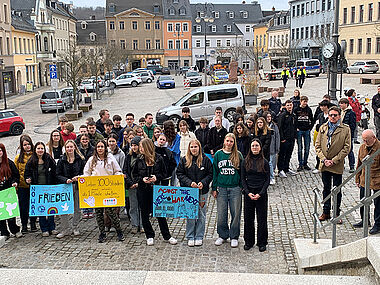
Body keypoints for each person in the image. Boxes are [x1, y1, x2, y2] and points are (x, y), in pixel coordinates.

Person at [132, 138, 177, 246]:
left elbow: (165, 173)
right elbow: (134, 175)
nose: (140, 149)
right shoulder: (139, 160)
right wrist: (142, 179)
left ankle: (167, 235)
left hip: (156, 188)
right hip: (143, 189)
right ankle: (149, 235)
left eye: (141, 146)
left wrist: (156, 177)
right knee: (144, 212)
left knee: (160, 213)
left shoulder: (159, 158)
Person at [83, 140, 125, 243]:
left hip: (108, 190)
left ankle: (119, 231)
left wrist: (118, 176)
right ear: (96, 148)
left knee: (111, 211)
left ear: (105, 148)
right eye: (98, 147)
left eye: (102, 146)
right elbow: (86, 173)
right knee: (98, 212)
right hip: (96, 190)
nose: (100, 149)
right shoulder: (92, 160)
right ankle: (102, 232)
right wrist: (84, 180)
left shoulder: (111, 159)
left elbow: (117, 171)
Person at [315, 106, 351, 223]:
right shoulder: (323, 128)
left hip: (337, 165)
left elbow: (346, 148)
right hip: (325, 164)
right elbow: (317, 145)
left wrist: (334, 160)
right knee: (326, 188)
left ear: (339, 116)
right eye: (331, 115)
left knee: (337, 190)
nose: (333, 117)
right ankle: (326, 212)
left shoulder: (345, 129)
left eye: (335, 115)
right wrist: (324, 159)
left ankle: (336, 213)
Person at [177, 139, 213, 247]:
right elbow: (179, 173)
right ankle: (190, 235)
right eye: (192, 147)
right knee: (190, 214)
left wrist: (203, 182)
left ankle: (199, 236)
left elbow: (210, 174)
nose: (194, 149)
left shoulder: (205, 160)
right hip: (189, 192)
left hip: (202, 191)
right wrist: (189, 183)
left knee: (201, 213)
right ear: (189, 148)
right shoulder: (184, 160)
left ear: (199, 148)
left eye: (195, 147)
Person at [212, 133, 244, 248]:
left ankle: (234, 236)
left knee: (236, 213)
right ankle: (222, 235)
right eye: (227, 141)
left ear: (234, 143)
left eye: (231, 141)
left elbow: (242, 172)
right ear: (224, 141)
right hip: (222, 188)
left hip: (235, 188)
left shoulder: (238, 155)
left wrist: (241, 186)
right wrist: (214, 188)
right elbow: (215, 172)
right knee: (222, 213)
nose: (229, 143)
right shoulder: (218, 155)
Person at [241, 139, 270, 252]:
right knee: (248, 218)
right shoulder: (245, 161)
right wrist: (248, 192)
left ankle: (262, 242)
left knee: (262, 219)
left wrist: (260, 193)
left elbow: (267, 180)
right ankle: (249, 241)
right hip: (249, 193)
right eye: (253, 146)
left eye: (257, 146)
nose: (254, 148)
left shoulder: (265, 162)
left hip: (261, 193)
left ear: (260, 147)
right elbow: (243, 179)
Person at [24, 142, 57, 236]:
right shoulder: (31, 161)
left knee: (51, 209)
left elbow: (54, 171)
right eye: (38, 148)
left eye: (42, 148)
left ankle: (52, 227)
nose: (40, 150)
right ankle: (44, 229)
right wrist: (28, 180)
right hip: (38, 189)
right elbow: (26, 174)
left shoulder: (48, 159)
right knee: (41, 210)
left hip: (49, 188)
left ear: (44, 149)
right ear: (35, 150)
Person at [56, 140, 85, 238]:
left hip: (77, 186)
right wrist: (66, 180)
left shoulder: (80, 159)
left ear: (74, 148)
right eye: (67, 147)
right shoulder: (61, 160)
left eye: (71, 147)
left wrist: (79, 177)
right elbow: (58, 174)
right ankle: (65, 229)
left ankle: (75, 227)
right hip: (65, 187)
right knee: (64, 208)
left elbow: (84, 172)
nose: (69, 149)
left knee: (77, 208)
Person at [355, 130, 380, 235]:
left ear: (373, 138)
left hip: (377, 179)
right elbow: (359, 164)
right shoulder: (362, 147)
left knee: (378, 204)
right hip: (364, 179)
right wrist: (357, 178)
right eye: (363, 140)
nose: (365, 142)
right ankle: (365, 220)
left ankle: (378, 224)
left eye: (367, 140)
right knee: (363, 201)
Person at [14, 135, 37, 233]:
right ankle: (24, 224)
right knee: (23, 206)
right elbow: (15, 172)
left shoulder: (35, 155)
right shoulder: (18, 158)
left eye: (28, 144)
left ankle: (33, 223)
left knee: (33, 205)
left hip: (34, 186)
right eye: (25, 145)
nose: (27, 146)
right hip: (22, 186)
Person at [0, 143, 22, 239]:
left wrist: (14, 182)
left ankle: (15, 230)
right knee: (1, 214)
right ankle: (4, 232)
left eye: (0, 150)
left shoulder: (9, 163)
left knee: (10, 213)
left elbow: (16, 175)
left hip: (8, 192)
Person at [123, 136, 143, 234]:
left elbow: (143, 172)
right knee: (133, 206)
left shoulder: (143, 156)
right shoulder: (128, 156)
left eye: (136, 145)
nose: (134, 147)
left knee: (142, 206)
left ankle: (142, 224)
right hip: (131, 185)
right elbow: (125, 170)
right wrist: (130, 183)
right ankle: (135, 224)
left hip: (141, 185)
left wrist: (138, 182)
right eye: (132, 145)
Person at [277, 100, 297, 178]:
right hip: (284, 139)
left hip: (291, 139)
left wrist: (295, 136)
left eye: (290, 105)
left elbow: (295, 126)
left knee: (289, 154)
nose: (289, 106)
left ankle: (286, 168)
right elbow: (280, 127)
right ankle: (280, 170)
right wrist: (282, 138)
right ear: (285, 106)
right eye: (288, 105)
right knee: (282, 155)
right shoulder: (282, 115)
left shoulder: (294, 115)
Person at [294, 96, 314, 171]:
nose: (305, 103)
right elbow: (294, 120)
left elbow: (312, 119)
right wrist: (296, 128)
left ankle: (305, 163)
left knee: (307, 148)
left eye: (306, 101)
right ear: (301, 101)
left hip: (306, 130)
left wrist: (310, 128)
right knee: (299, 148)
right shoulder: (296, 109)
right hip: (299, 130)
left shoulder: (308, 109)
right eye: (304, 101)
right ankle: (300, 164)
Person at [77, 133, 95, 219]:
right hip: (81, 172)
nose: (85, 141)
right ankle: (85, 210)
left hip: (90, 172)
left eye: (86, 139)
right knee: (83, 193)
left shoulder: (92, 149)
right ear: (80, 140)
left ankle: (90, 210)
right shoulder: (78, 149)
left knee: (90, 192)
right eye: (83, 139)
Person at [339, 98, 357, 173]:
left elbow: (353, 125)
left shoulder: (351, 113)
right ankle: (341, 164)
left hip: (348, 135)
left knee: (349, 150)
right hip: (340, 134)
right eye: (340, 103)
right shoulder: (340, 112)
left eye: (342, 103)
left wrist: (349, 133)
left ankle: (352, 166)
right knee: (340, 150)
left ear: (346, 104)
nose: (340, 105)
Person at [313, 100, 330, 174]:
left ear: (326, 107)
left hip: (328, 136)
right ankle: (318, 166)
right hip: (321, 136)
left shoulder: (330, 116)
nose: (321, 108)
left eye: (322, 106)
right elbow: (317, 125)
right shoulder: (320, 115)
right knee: (319, 152)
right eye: (321, 106)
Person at [263, 111, 280, 185]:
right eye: (267, 117)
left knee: (272, 164)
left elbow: (277, 137)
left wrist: (277, 147)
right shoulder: (263, 126)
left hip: (272, 148)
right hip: (265, 148)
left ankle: (271, 176)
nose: (269, 118)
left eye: (270, 117)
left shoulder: (274, 126)